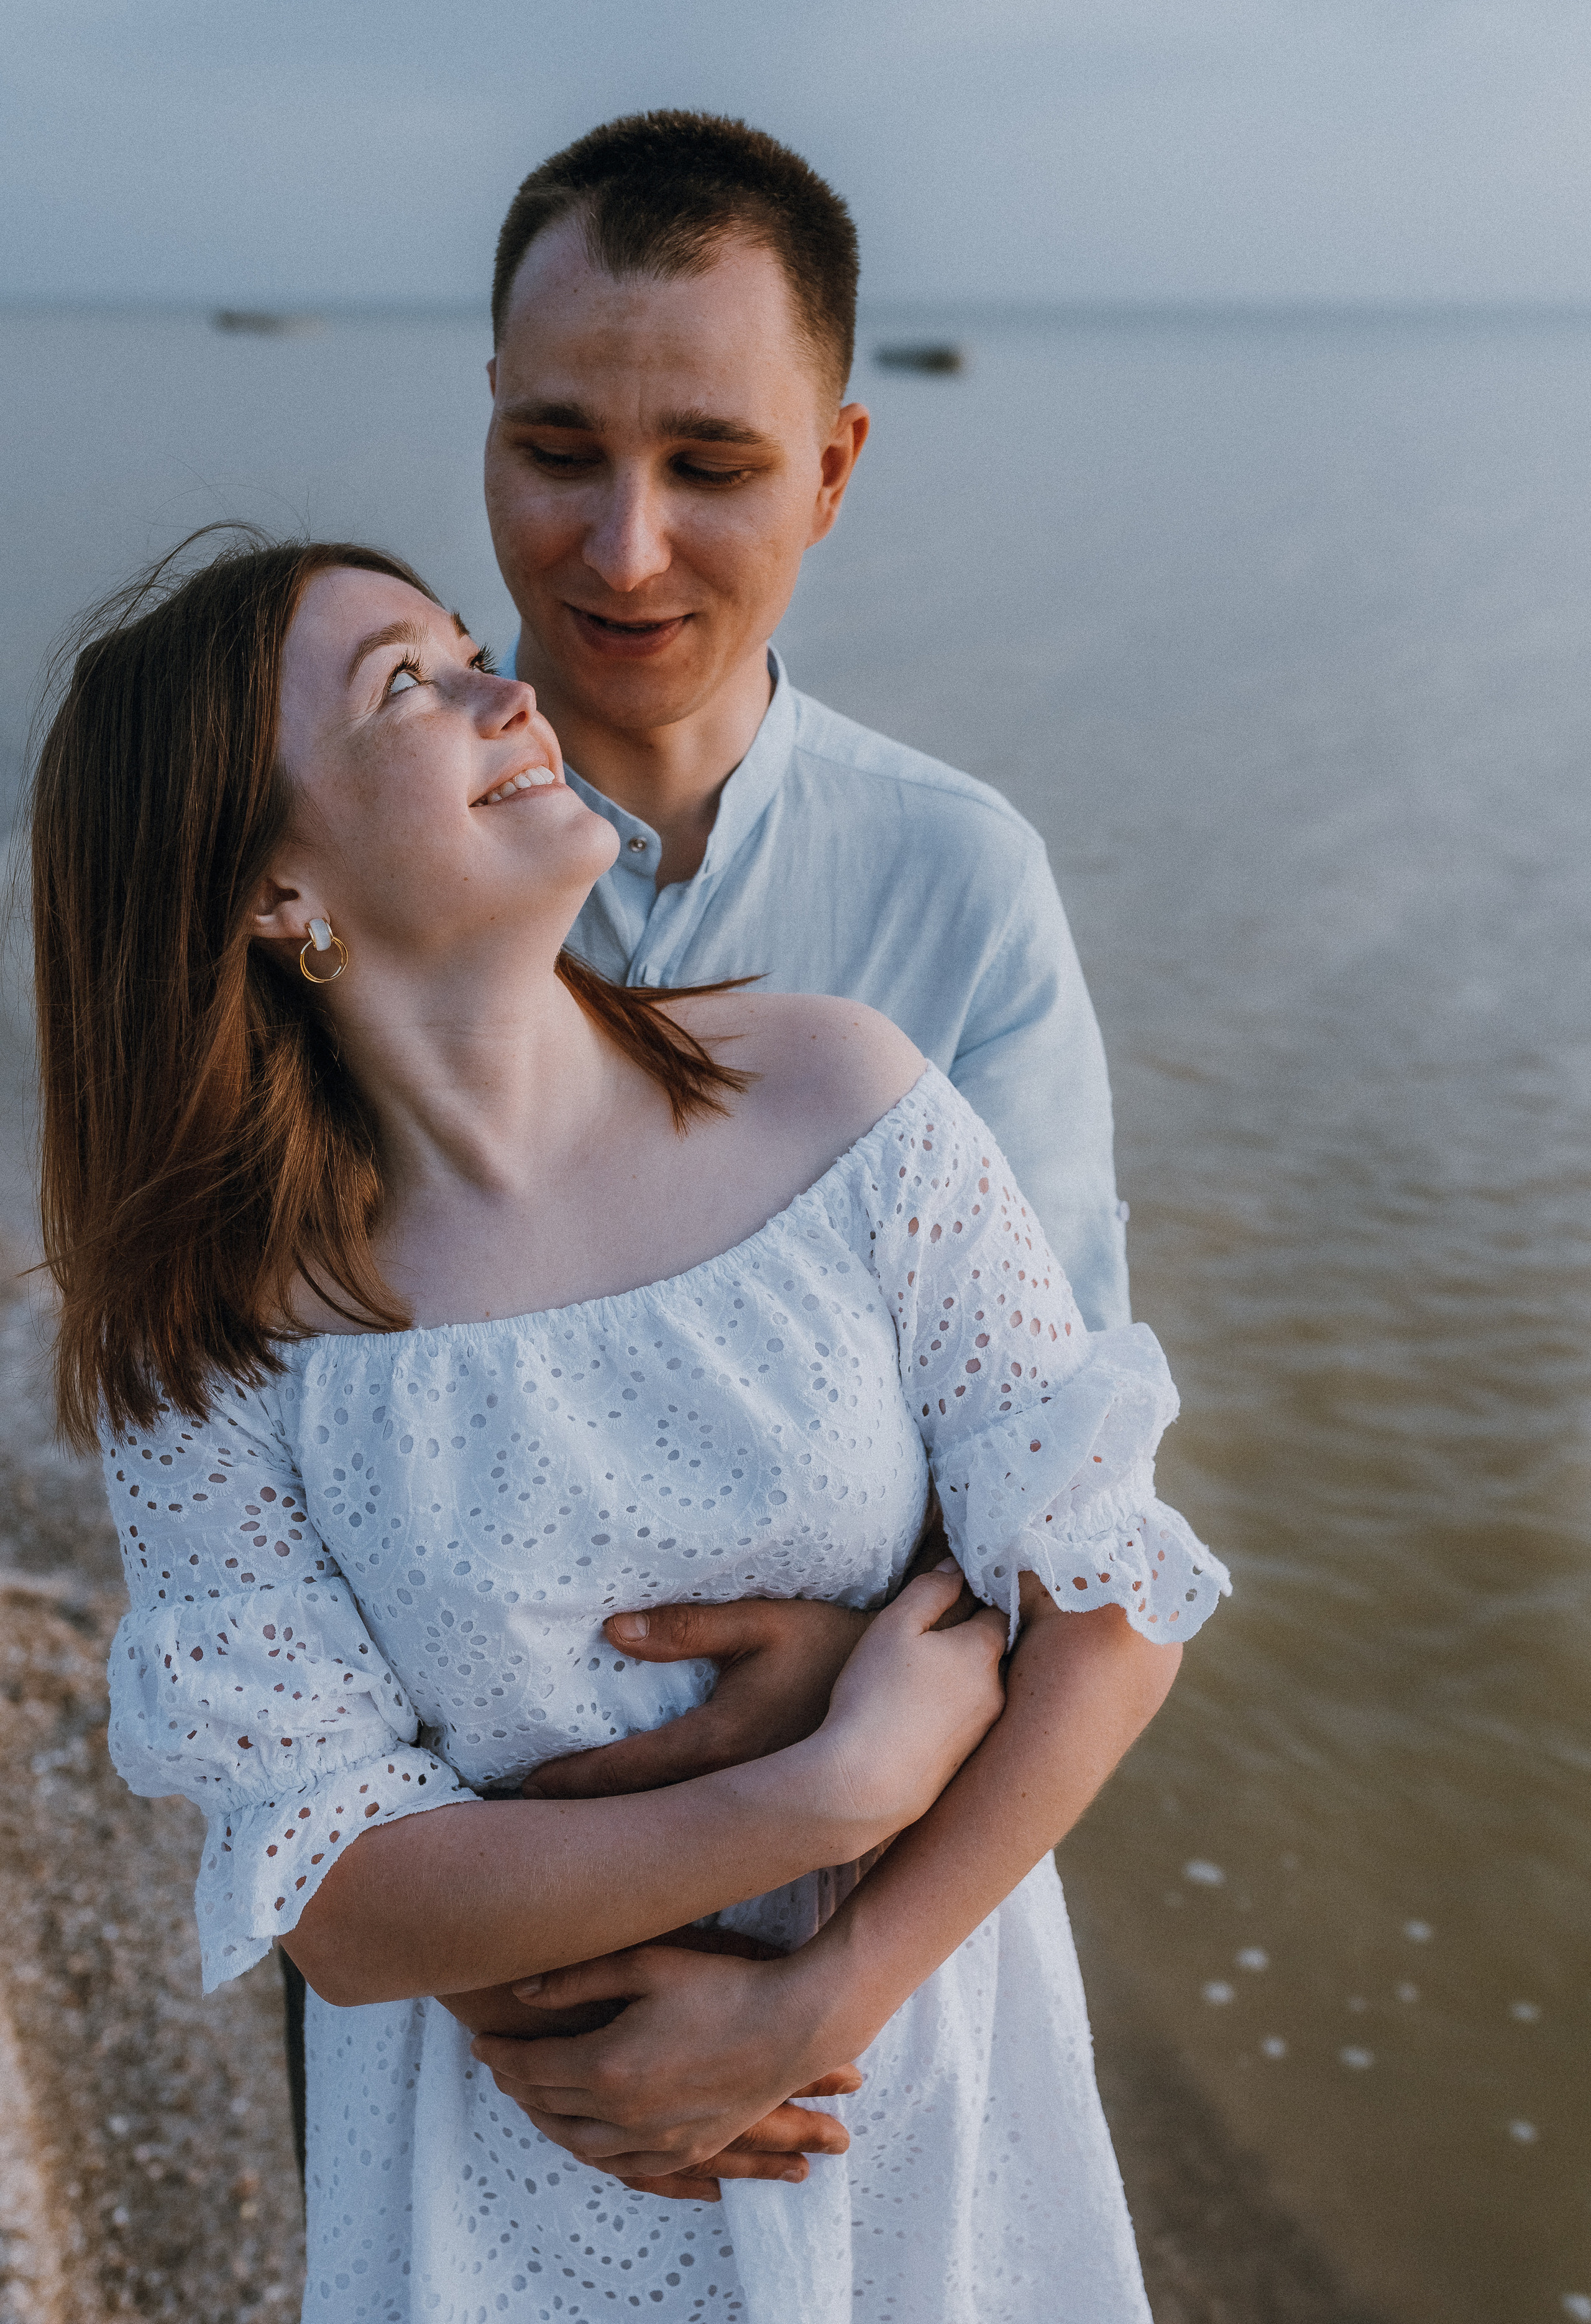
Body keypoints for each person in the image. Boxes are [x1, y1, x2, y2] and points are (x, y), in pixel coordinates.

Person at [35, 535, 1227, 2321]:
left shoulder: (838, 1094)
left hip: (907, 2086)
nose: (506, 689)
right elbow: (337, 1897)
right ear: (275, 891)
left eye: (464, 646)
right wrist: (826, 1788)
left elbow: (1113, 1602)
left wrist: (823, 1996)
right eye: (404, 684)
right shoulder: (215, 1337)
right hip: (528, 2159)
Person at [455, 108, 1153, 2198]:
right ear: (487, 426)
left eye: (714, 464)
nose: (624, 549)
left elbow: (1088, 1532)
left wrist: (817, 1994)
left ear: (834, 470)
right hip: (466, 1971)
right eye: (559, 450)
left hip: (884, 1953)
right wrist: (453, 1965)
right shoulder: (335, 866)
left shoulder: (960, 885)